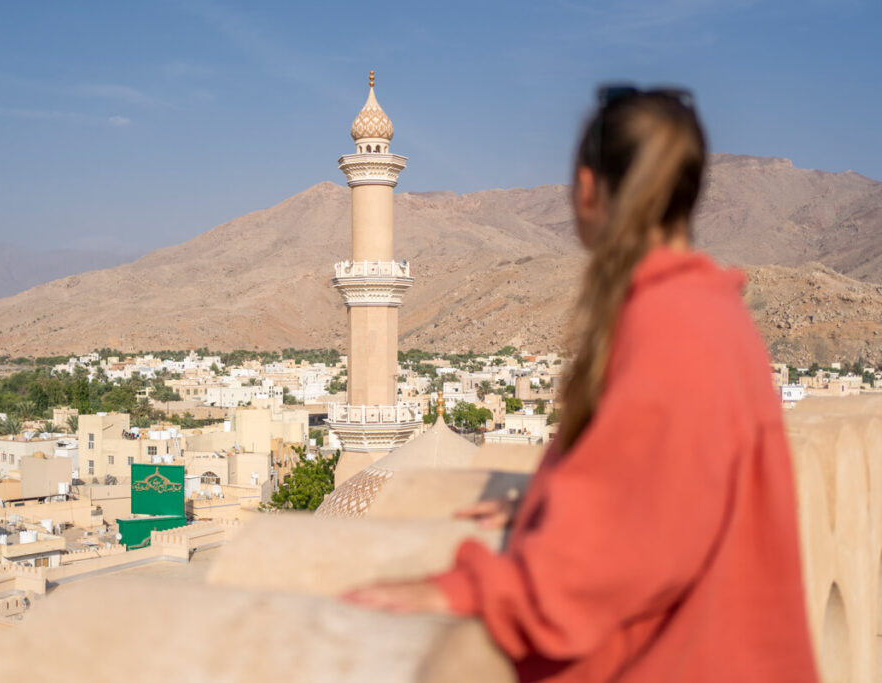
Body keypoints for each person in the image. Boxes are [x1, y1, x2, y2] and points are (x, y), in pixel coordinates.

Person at [343, 85, 819, 681]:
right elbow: (658, 481)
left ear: (588, 190)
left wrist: (474, 589)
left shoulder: (674, 325)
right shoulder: (707, 312)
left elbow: (617, 557)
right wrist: (549, 498)